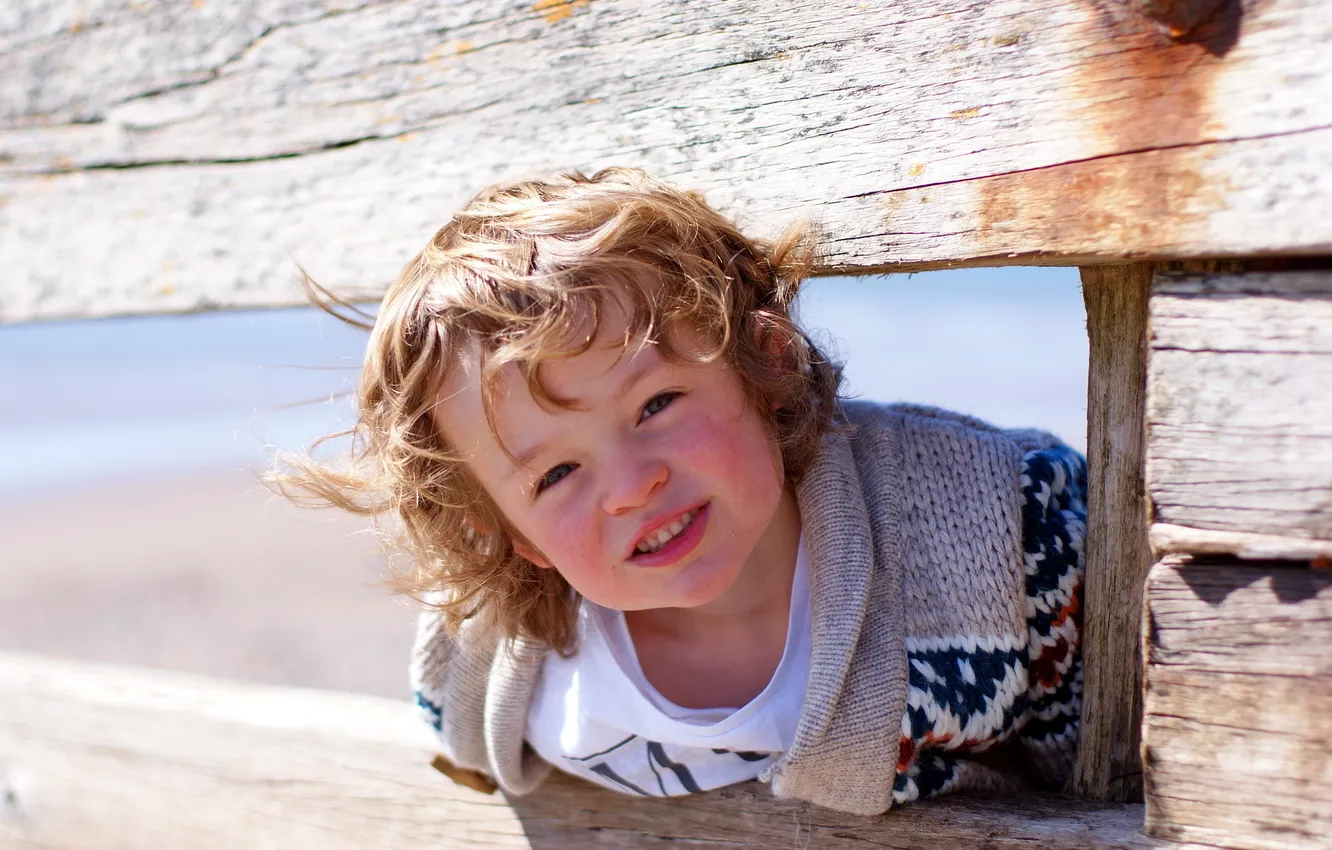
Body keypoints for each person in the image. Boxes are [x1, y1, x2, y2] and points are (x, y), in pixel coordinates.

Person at [275, 167, 1085, 816]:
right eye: (555, 475)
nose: (631, 487)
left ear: (763, 360)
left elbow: (1112, 782)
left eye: (656, 405)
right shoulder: (478, 661)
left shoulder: (1010, 535)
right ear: (507, 531)